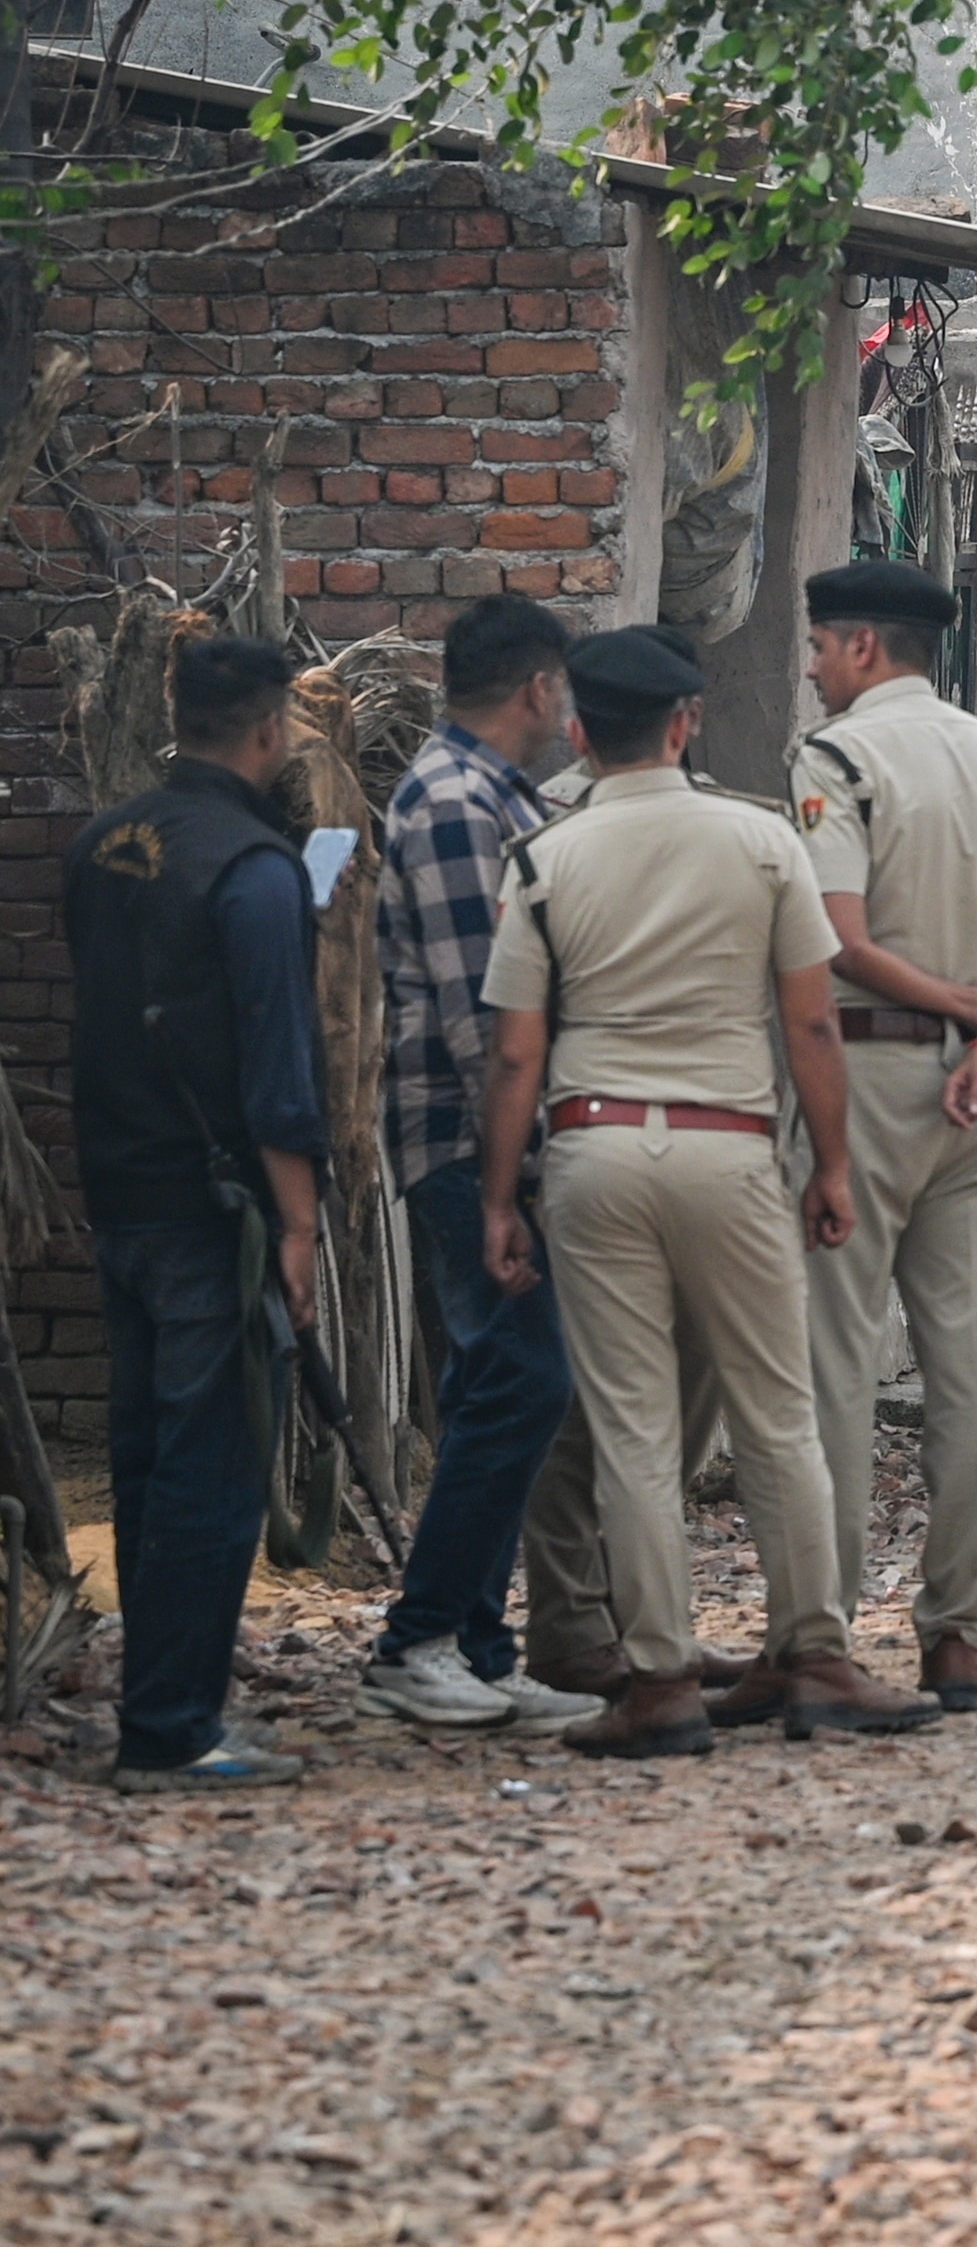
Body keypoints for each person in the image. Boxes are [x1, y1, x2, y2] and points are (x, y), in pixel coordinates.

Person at [476, 624, 935, 1756]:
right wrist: (830, 1162)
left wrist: (497, 1198)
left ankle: (660, 1681)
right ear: (686, 726)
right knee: (776, 1412)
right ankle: (817, 1653)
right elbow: (811, 1022)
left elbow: (516, 1055)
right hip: (731, 1149)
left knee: (631, 1426)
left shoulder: (542, 856)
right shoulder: (765, 842)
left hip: (592, 1149)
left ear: (581, 730)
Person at [788, 559, 977, 1717]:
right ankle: (954, 1635)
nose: (813, 668)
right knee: (964, 1357)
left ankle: (819, 1634)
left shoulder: (839, 762)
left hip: (863, 1074)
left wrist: (966, 1013)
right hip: (976, 1096)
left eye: (821, 647)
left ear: (865, 647)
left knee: (834, 1357)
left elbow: (839, 940)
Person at [63, 635, 327, 1792]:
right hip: (217, 1210)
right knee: (215, 1467)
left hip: (119, 1195)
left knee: (144, 1462)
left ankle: (150, 1710)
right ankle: (173, 1726)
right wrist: (300, 1227)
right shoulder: (257, 871)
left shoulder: (103, 844)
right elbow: (280, 1076)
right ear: (271, 732)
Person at [356, 594, 601, 1734]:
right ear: (537, 690)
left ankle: (482, 1647)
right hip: (465, 1140)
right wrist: (518, 1167)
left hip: (484, 1141)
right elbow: (476, 1018)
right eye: (563, 691)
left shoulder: (495, 796)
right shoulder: (457, 804)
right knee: (521, 1381)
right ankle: (418, 1641)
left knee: (499, 1387)